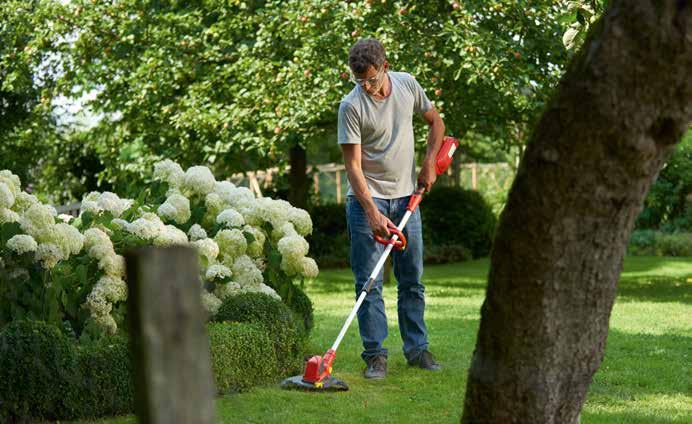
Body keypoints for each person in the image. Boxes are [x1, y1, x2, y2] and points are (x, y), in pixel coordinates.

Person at [338, 38, 446, 379]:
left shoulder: (407, 84)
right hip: (366, 201)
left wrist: (429, 162)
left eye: (371, 79)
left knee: (412, 280)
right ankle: (375, 355)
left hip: (407, 199)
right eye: (360, 82)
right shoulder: (351, 106)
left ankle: (417, 350)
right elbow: (353, 167)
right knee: (368, 281)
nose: (367, 87)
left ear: (385, 66)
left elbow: (436, 123)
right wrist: (371, 213)